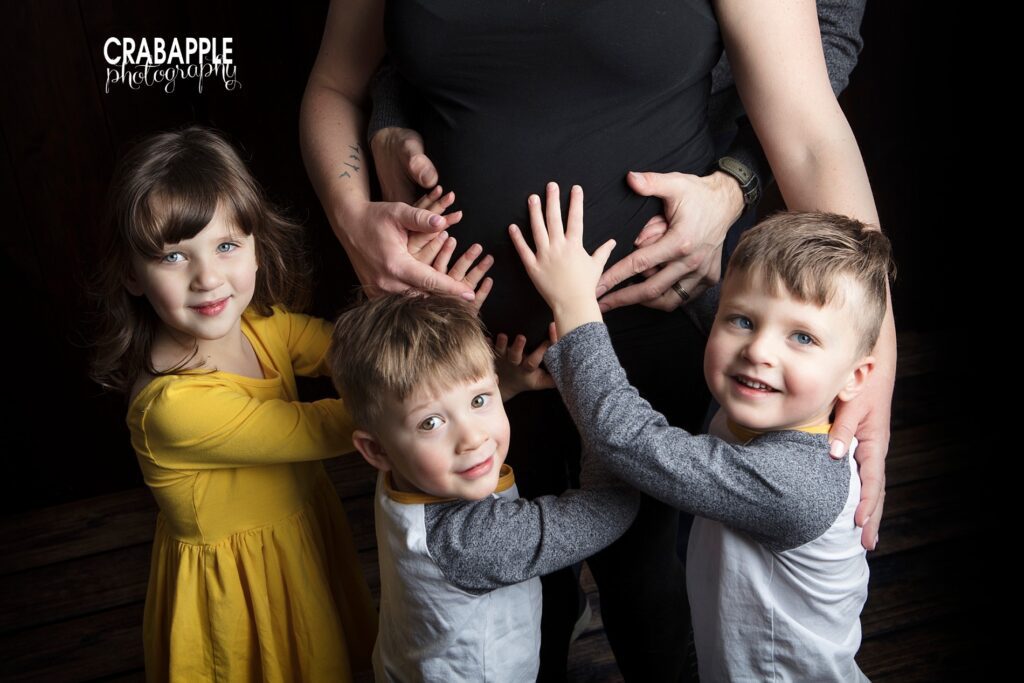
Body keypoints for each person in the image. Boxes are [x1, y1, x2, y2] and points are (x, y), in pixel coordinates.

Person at [300, 1, 896, 677]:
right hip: (468, 358)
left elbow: (810, 129)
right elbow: (333, 88)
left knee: (656, 590)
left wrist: (878, 355)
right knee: (519, 600)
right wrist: (355, 218)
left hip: (654, 329)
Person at [87, 126, 489, 681]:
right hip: (239, 589)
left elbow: (343, 349)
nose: (208, 278)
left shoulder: (261, 326)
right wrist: (454, 384)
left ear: (256, 246)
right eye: (174, 257)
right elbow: (323, 427)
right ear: (132, 273)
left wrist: (403, 302)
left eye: (226, 245)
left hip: (302, 541)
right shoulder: (172, 407)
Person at [510, 183, 892, 680]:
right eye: (743, 321)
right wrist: (691, 273)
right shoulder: (775, 402)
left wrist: (573, 305)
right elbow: (739, 311)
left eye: (802, 337)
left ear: (856, 378)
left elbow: (627, 439)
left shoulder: (795, 481)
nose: (759, 351)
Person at [328, 292, 640, 682]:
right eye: (431, 424)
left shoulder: (401, 468)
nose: (472, 439)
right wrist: (596, 402)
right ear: (375, 450)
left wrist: (504, 387)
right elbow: (606, 509)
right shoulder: (472, 539)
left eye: (479, 399)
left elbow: (441, 403)